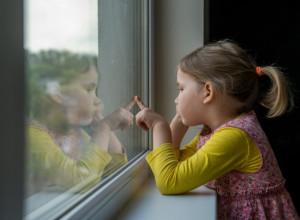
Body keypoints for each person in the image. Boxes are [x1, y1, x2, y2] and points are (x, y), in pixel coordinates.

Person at [135, 40, 299, 219]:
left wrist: (159, 127)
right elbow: (176, 164)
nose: (176, 99)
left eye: (181, 89)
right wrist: (179, 120)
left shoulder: (234, 137)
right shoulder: (216, 131)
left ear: (207, 92)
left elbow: (169, 181)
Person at [26, 50, 134, 195]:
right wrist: (105, 127)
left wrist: (99, 120)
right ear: (57, 93)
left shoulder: (72, 132)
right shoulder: (32, 134)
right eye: (89, 89)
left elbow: (116, 168)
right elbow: (81, 181)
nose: (98, 100)